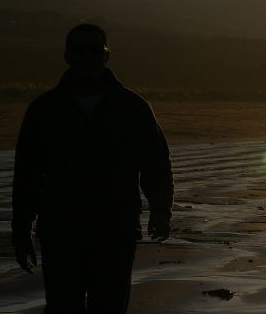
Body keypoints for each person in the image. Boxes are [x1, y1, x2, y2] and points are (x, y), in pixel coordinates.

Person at [11, 23, 174, 313]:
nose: (87, 56)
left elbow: (156, 164)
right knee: (62, 308)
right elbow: (26, 176)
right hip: (60, 234)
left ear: (107, 55)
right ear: (67, 57)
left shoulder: (133, 107)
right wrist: (21, 234)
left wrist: (161, 211)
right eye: (79, 50)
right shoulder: (44, 109)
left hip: (116, 232)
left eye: (95, 49)